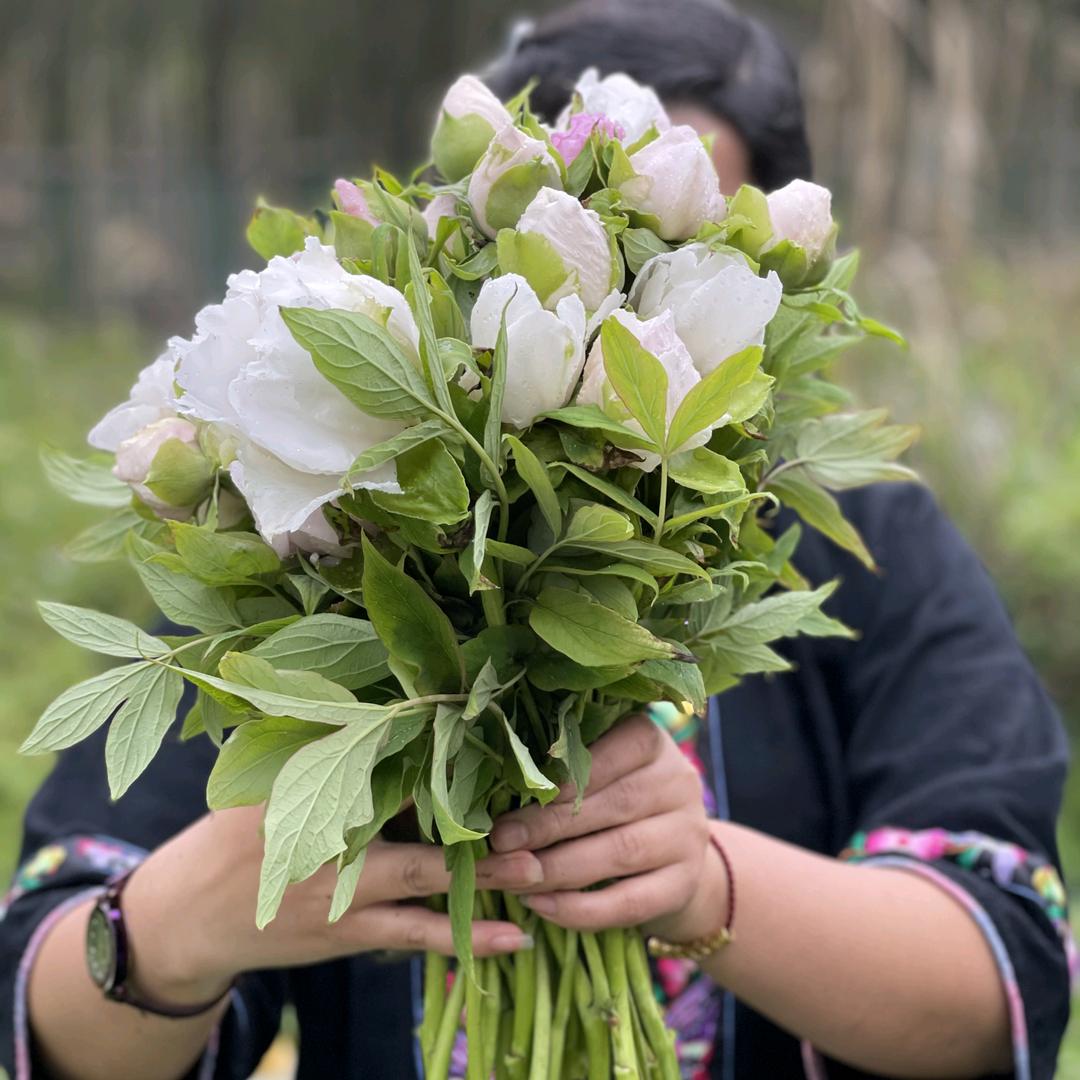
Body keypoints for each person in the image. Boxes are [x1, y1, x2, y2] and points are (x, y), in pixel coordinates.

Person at [2, 1, 1073, 1078]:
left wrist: (708, 884)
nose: (631, 329)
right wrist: (171, 931)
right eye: (599, 249)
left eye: (683, 259)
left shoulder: (866, 545)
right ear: (460, 259)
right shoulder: (331, 539)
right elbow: (49, 996)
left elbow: (1003, 969)